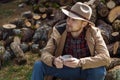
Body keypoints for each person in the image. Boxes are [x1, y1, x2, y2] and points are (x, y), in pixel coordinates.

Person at [31, 2, 111, 80]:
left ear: (84, 24)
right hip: (64, 69)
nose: (68, 22)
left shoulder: (94, 33)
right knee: (39, 65)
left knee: (99, 71)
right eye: (69, 18)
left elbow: (106, 58)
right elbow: (45, 52)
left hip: (84, 69)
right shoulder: (59, 31)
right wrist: (53, 61)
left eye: (74, 20)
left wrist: (80, 62)